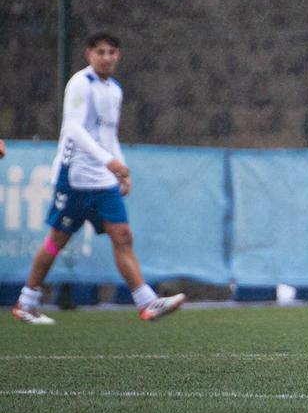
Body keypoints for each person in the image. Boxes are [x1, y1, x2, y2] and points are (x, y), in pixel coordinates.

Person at [11, 33, 185, 325]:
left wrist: (122, 169)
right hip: (75, 178)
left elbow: (108, 135)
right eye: (101, 51)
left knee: (123, 236)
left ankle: (146, 302)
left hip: (103, 181)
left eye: (112, 52)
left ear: (118, 56)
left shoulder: (114, 89)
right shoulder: (81, 84)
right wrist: (109, 162)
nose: (107, 57)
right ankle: (27, 302)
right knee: (56, 241)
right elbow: (74, 130)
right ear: (88, 54)